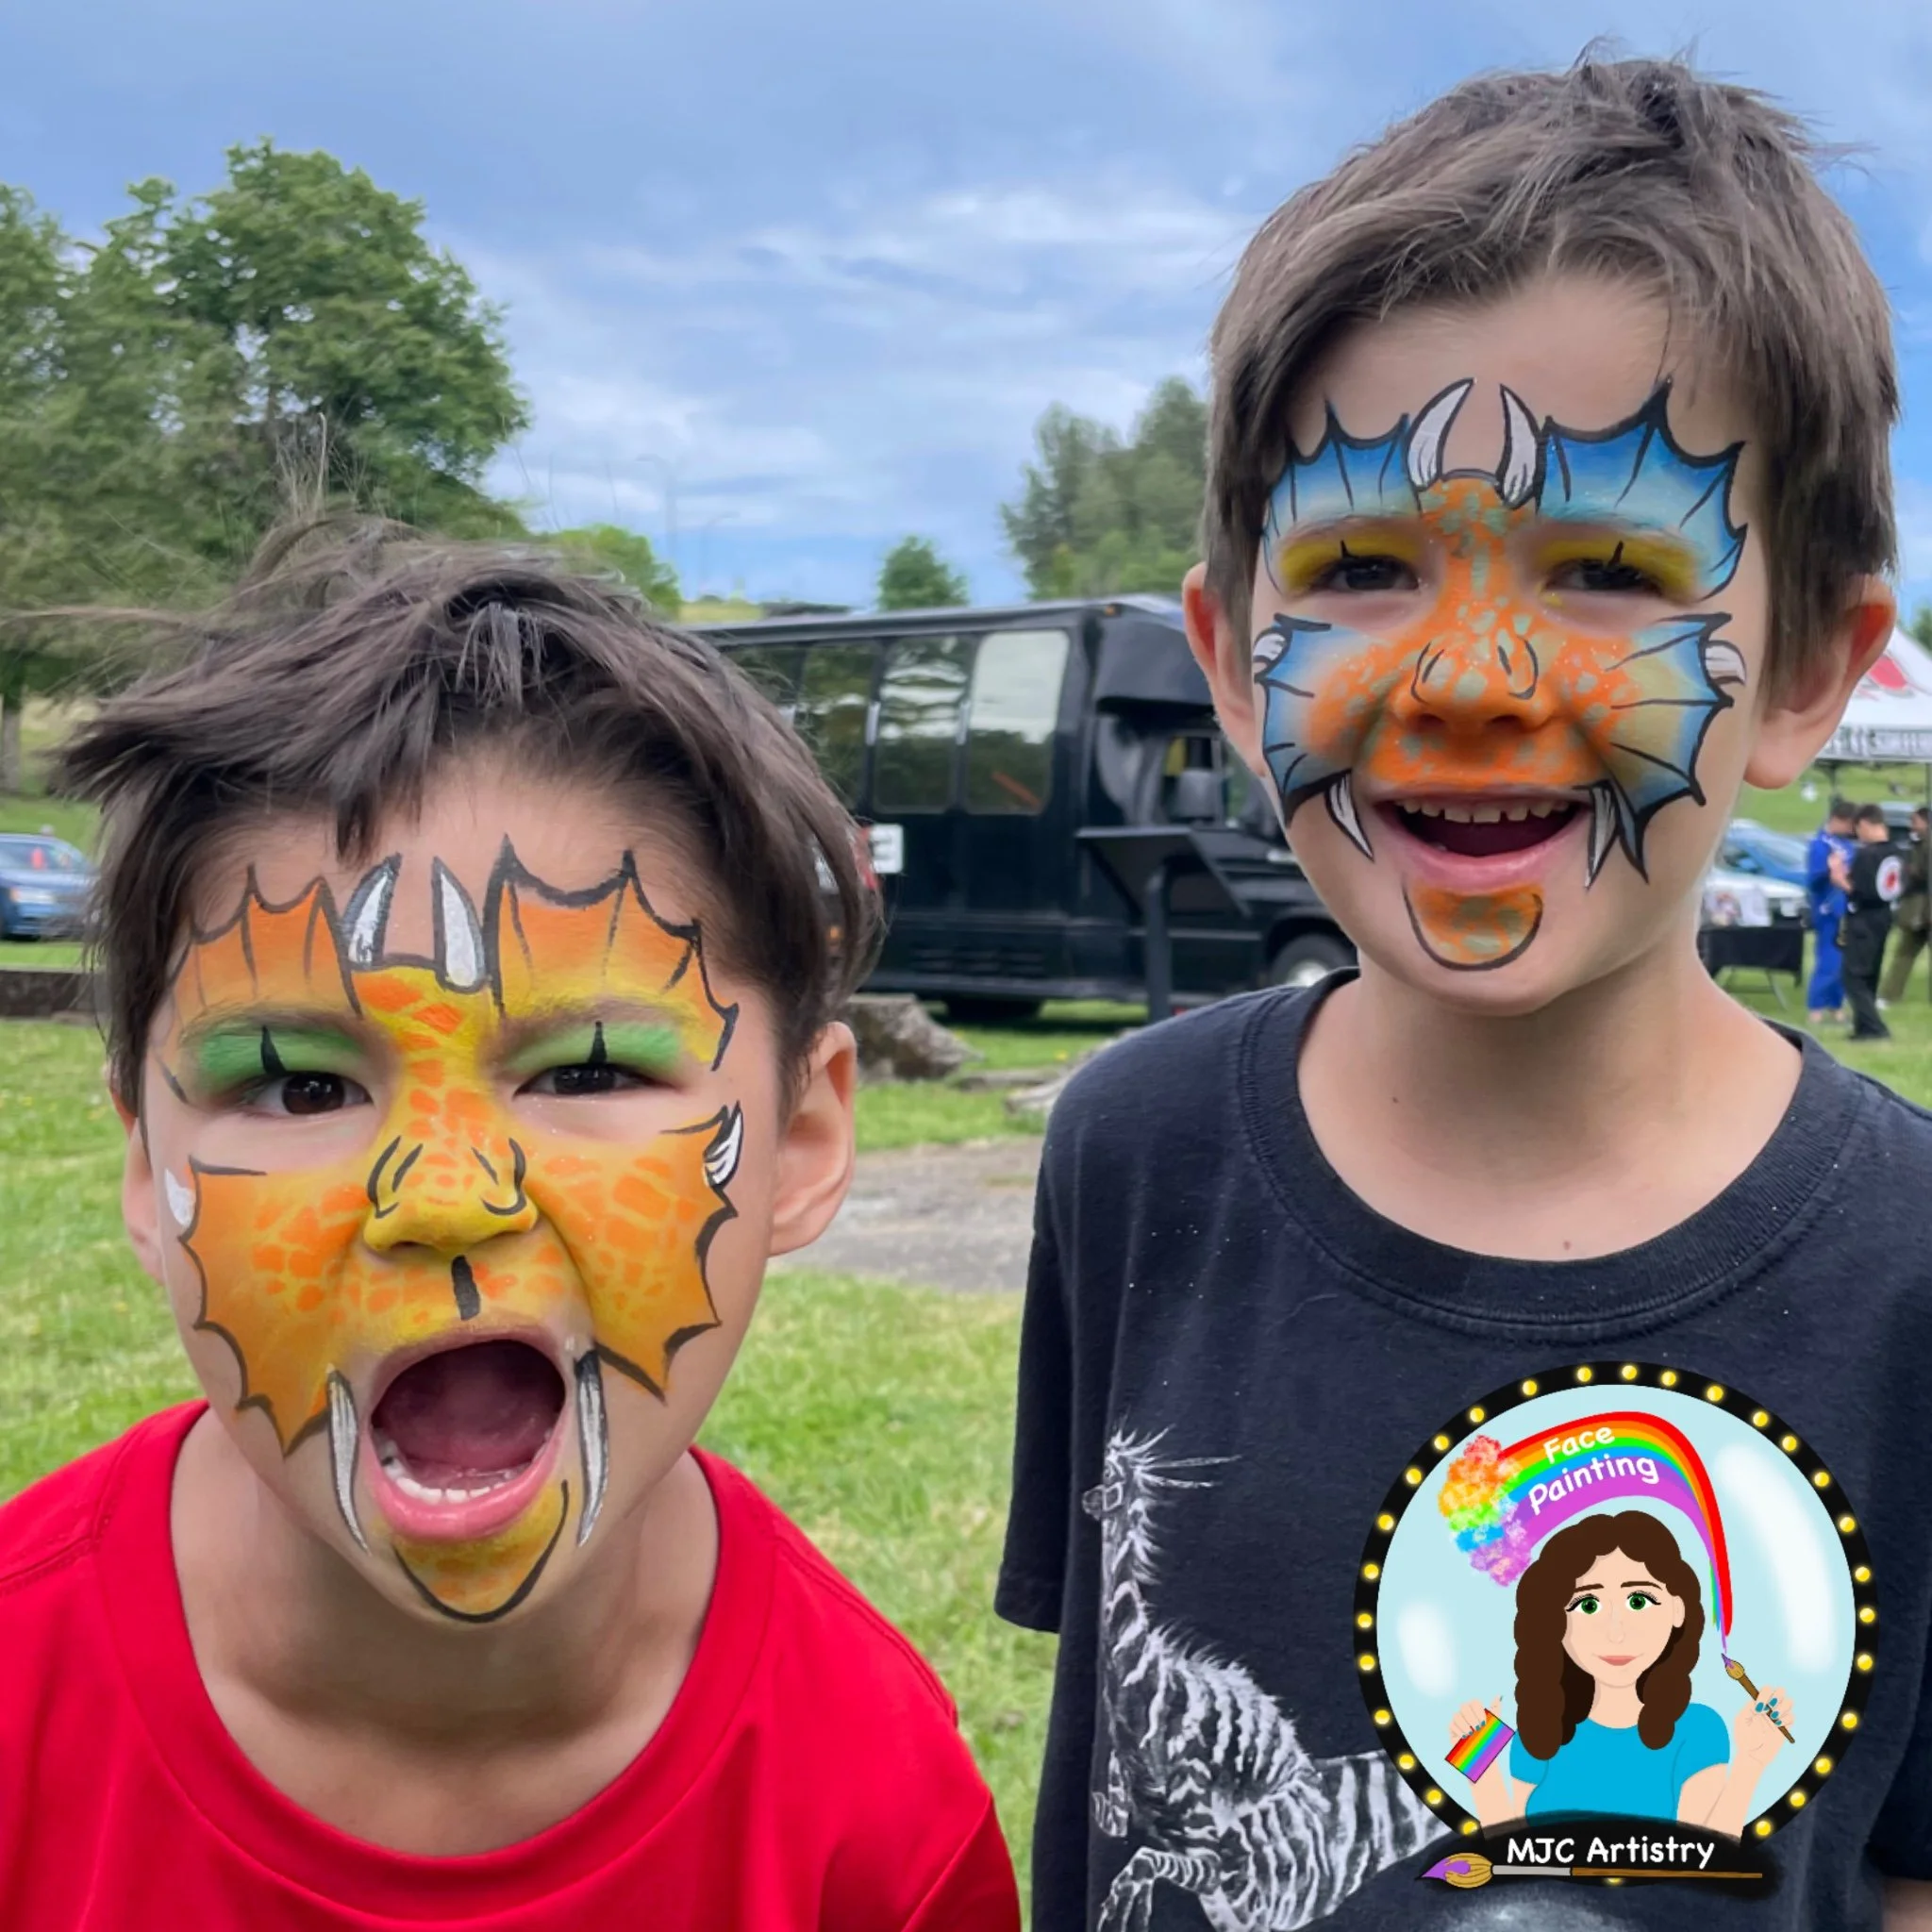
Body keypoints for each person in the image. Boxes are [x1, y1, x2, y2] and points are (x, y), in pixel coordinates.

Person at [997, 55, 1932, 1932]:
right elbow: (1110, 1766)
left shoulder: (1917, 1265)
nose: (1469, 676)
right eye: (1357, 568)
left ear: (1812, 674)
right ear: (1224, 652)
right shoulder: (1132, 1154)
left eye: (1604, 567)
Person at [0, 527, 1020, 1930]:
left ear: (798, 1143)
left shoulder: (874, 1816)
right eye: (299, 1084)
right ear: (142, 1165)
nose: (440, 1197)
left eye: (589, 1071)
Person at [1447, 1511, 1788, 1835]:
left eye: (1638, 1601)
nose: (1615, 1632)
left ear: (1677, 1609)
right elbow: (1514, 1856)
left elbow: (1702, 1861)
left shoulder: (1699, 1732)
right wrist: (1480, 1764)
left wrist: (1751, 1765)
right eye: (1588, 1605)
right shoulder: (1539, 1730)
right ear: (1555, 1622)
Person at [1841, 802, 1906, 1040]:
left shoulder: (1867, 854)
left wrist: (1840, 878)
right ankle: (1863, 1028)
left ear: (1866, 824)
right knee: (1870, 973)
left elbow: (1859, 890)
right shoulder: (1897, 851)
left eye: (1858, 828)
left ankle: (1876, 1027)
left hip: (1864, 919)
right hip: (1885, 915)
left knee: (1853, 976)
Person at [1807, 796, 1858, 1022]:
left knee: (1845, 961)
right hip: (1827, 909)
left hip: (1847, 908)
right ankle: (1816, 1007)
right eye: (1849, 825)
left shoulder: (1847, 845)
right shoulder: (1820, 844)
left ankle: (1837, 1005)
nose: (1851, 830)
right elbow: (1813, 880)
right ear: (1839, 820)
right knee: (1829, 960)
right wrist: (1831, 871)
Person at [1879, 805, 1929, 1004]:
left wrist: (1907, 869)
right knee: (1904, 953)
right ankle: (1889, 995)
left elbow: (1920, 873)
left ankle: (1889, 996)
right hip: (1916, 909)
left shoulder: (1925, 845)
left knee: (1904, 954)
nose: (1912, 826)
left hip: (1921, 906)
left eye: (1915, 821)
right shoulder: (1917, 843)